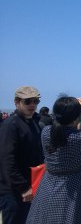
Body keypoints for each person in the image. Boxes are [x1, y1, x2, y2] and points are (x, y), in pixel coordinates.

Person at [0, 86, 44, 224]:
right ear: (17, 102)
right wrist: (23, 188)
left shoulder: (34, 122)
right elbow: (7, 160)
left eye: (35, 101)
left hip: (32, 185)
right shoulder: (10, 125)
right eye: (27, 101)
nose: (32, 105)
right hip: (13, 190)